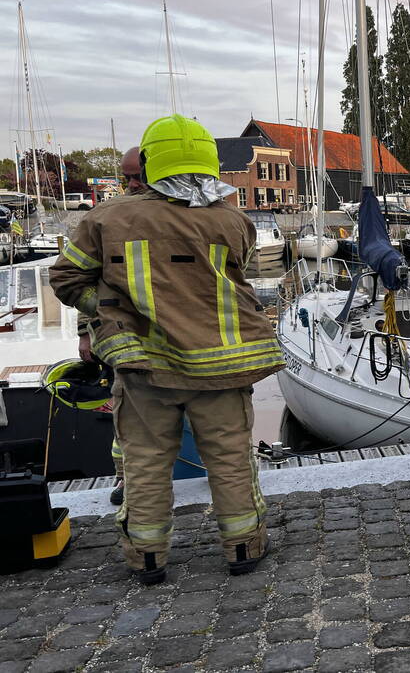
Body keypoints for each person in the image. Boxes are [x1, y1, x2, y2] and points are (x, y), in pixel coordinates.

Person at [50, 114, 283, 584]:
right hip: (221, 366)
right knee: (231, 460)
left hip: (143, 367)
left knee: (145, 463)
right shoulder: (233, 220)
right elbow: (235, 273)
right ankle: (243, 546)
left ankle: (147, 557)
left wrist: (109, 308)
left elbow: (66, 278)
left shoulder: (104, 219)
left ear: (150, 163)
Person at [77, 147, 145, 506]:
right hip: (123, 338)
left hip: (171, 339)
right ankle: (125, 477)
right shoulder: (106, 220)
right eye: (127, 177)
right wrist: (87, 331)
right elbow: (82, 279)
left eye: (138, 177)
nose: (132, 184)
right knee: (125, 414)